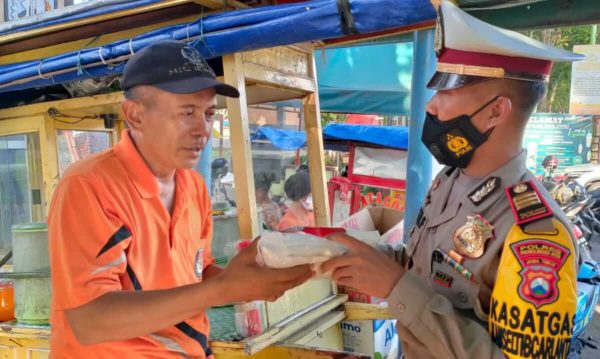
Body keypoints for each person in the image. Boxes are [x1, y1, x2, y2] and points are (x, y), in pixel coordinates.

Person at [322, 2, 582, 358]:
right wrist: (349, 254)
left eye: (446, 91)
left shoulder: (534, 234)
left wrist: (395, 286)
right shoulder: (450, 181)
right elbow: (423, 267)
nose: (430, 106)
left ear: (496, 111)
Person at [48, 40, 313, 358]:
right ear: (135, 115)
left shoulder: (193, 187)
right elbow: (89, 320)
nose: (203, 130)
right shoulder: (89, 186)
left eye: (209, 114)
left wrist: (251, 275)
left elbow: (196, 274)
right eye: (187, 113)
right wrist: (222, 288)